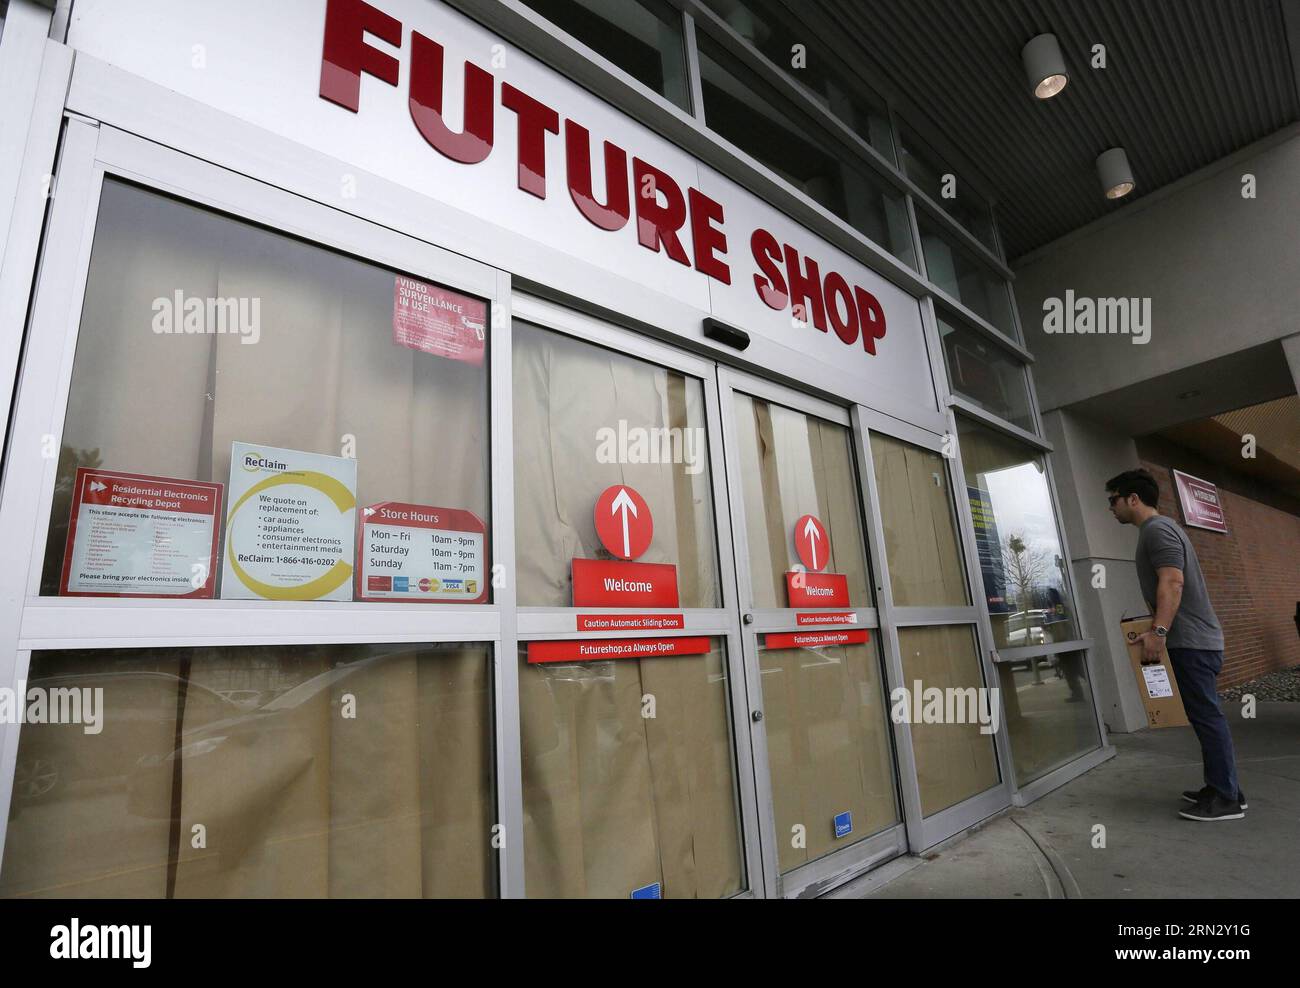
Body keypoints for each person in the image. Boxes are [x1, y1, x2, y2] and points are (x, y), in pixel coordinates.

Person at [1106, 468, 1245, 821]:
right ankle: (1223, 787)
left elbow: (1173, 581)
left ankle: (1226, 799)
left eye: (1114, 500)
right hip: (1193, 642)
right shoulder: (1157, 531)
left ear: (1132, 499)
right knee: (1204, 718)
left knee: (1207, 717)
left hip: (1193, 644)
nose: (1111, 508)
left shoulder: (1157, 530)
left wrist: (1160, 632)